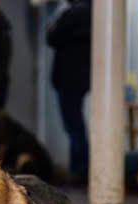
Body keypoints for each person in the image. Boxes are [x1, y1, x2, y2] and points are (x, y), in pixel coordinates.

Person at [46, 0, 92, 183]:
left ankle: (80, 169)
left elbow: (52, 37)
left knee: (74, 124)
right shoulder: (90, 12)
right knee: (75, 123)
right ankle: (80, 168)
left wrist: (56, 23)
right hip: (77, 77)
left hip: (69, 78)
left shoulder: (75, 13)